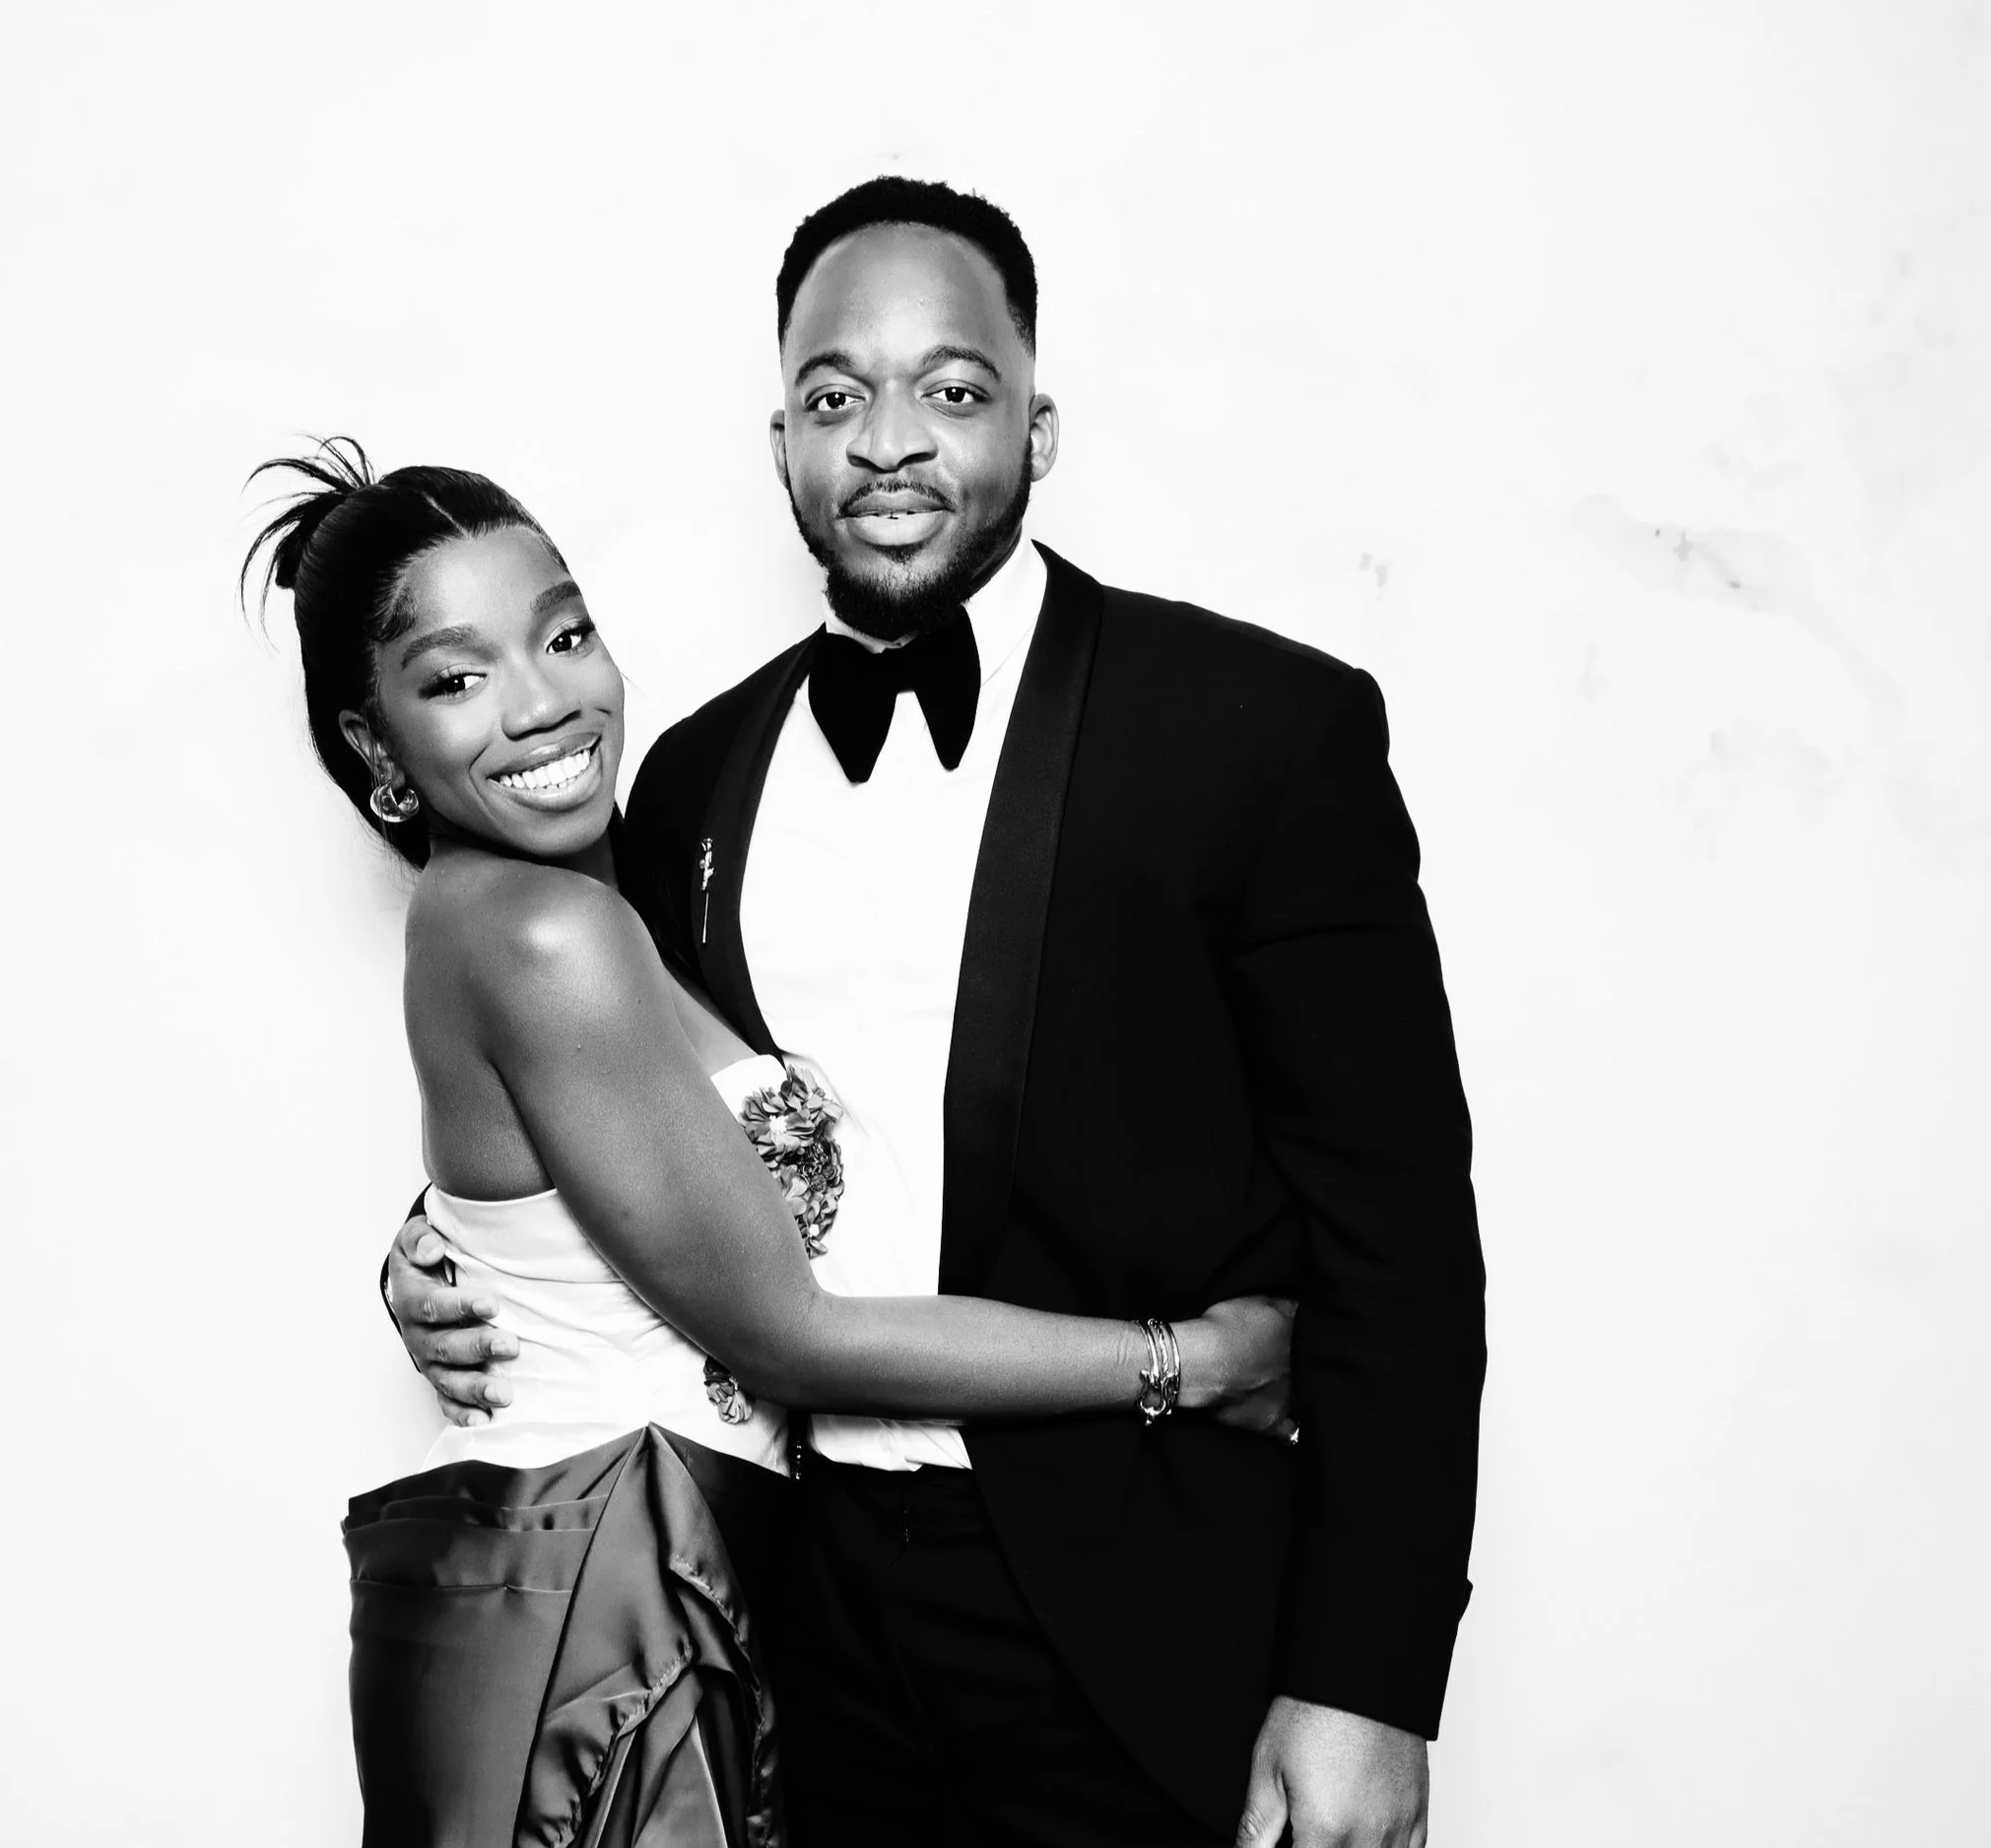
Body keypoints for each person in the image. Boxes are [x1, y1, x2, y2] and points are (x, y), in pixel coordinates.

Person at [390, 176, 1488, 1848]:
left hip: (1145, 1628)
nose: (888, 440)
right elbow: (616, 1093)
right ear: (781, 446)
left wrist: (1369, 1682)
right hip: (790, 1619)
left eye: (952, 389)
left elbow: (1401, 1231)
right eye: (836, 396)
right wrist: (451, 1246)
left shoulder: (1259, 734)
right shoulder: (687, 782)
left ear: (1038, 429)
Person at [243, 440, 1301, 1847]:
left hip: (652, 1591)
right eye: (454, 676)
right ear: (375, 743)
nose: (543, 700)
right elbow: (791, 1337)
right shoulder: (542, 931)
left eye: (563, 632)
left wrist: (437, 1243)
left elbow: (577, 1181)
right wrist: (1188, 1361)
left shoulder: (593, 901)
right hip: (600, 1612)